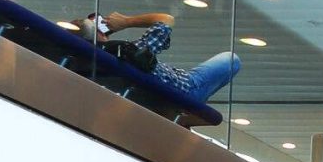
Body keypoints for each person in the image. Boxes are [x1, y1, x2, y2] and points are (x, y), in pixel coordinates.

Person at [79, 10, 241, 103]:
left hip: (166, 90)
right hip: (188, 87)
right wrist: (126, 22)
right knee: (231, 59)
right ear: (100, 35)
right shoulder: (128, 52)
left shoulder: (94, 64)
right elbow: (166, 20)